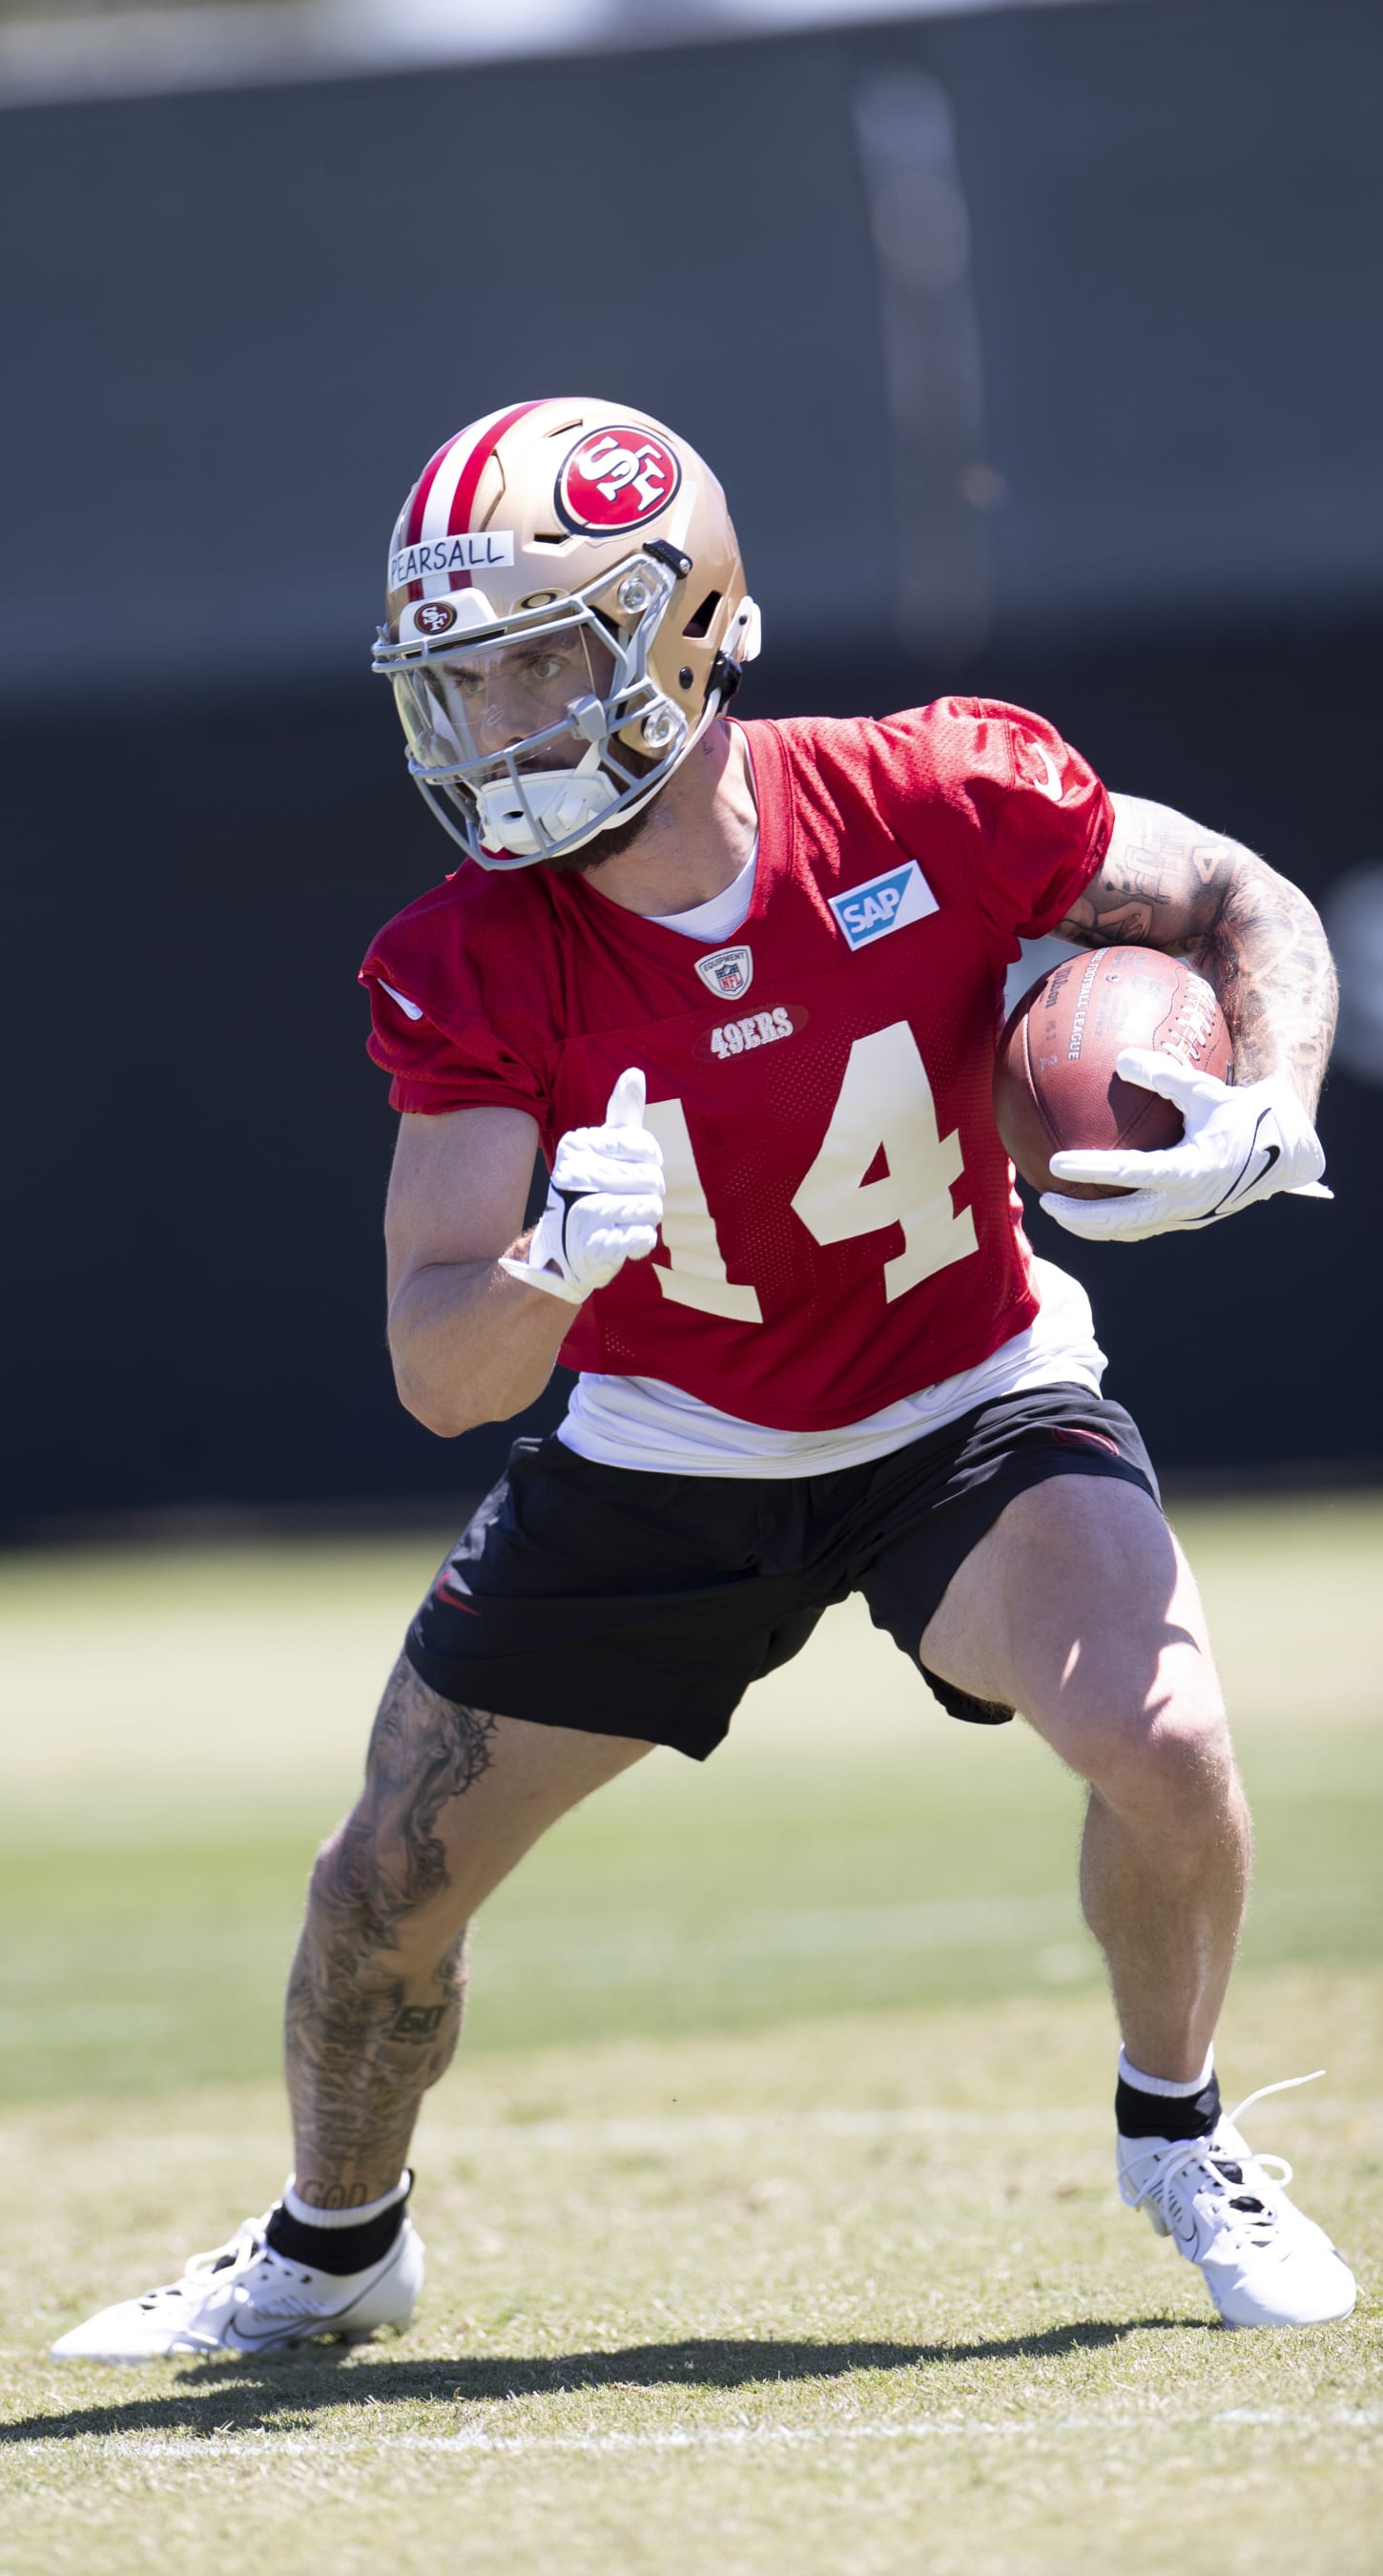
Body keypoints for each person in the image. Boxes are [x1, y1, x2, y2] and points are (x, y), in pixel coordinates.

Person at [54, 399, 1352, 2362]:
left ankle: (1176, 2136)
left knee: (1162, 1741)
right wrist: (544, 1272)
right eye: (458, 682)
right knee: (378, 1888)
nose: (488, 726)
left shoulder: (935, 792)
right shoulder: (477, 959)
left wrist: (1260, 1102)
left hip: (961, 1395)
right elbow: (434, 1368)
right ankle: (333, 2247)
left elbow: (1240, 899)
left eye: (530, 666)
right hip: (668, 1442)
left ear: (680, 629)